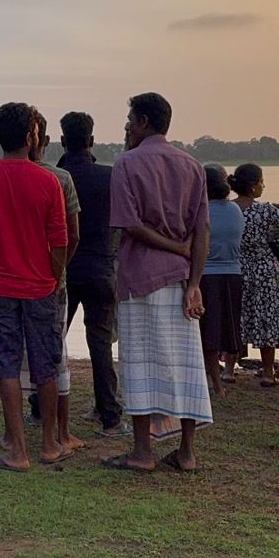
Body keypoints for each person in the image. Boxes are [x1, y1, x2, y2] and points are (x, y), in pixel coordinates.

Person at [100, 92, 213, 473]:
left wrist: (176, 248)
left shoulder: (127, 163)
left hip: (140, 277)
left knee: (139, 364)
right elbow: (202, 230)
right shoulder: (192, 165)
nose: (127, 126)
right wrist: (194, 281)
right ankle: (186, 451)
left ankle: (142, 451)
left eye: (130, 119)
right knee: (185, 363)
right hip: (181, 279)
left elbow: (130, 225)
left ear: (143, 121)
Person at [0, 103, 70, 471]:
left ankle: (17, 449)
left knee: (7, 365)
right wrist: (54, 277)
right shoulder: (48, 181)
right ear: (31, 136)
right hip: (40, 287)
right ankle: (50, 444)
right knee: (46, 365)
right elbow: (59, 239)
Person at [55, 111, 127, 436]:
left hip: (63, 269)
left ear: (62, 141)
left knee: (53, 340)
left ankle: (41, 407)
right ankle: (109, 415)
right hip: (102, 268)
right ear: (92, 141)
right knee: (100, 343)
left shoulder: (57, 177)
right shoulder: (110, 177)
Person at [20, 110, 81, 450]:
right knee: (57, 354)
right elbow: (72, 235)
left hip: (10, 279)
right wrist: (58, 270)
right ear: (42, 140)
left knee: (13, 357)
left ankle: (14, 432)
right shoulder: (60, 178)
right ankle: (61, 433)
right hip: (51, 279)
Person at [232, 163, 279, 385]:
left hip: (237, 268)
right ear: (253, 186)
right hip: (265, 271)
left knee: (237, 318)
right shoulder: (266, 210)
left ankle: (228, 369)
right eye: (261, 181)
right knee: (266, 320)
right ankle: (269, 372)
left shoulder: (229, 210)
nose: (263, 186)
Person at [200, 164, 244, 397]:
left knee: (209, 332)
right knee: (230, 328)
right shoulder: (235, 210)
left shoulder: (202, 211)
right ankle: (226, 372)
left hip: (207, 276)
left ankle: (216, 384)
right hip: (233, 274)